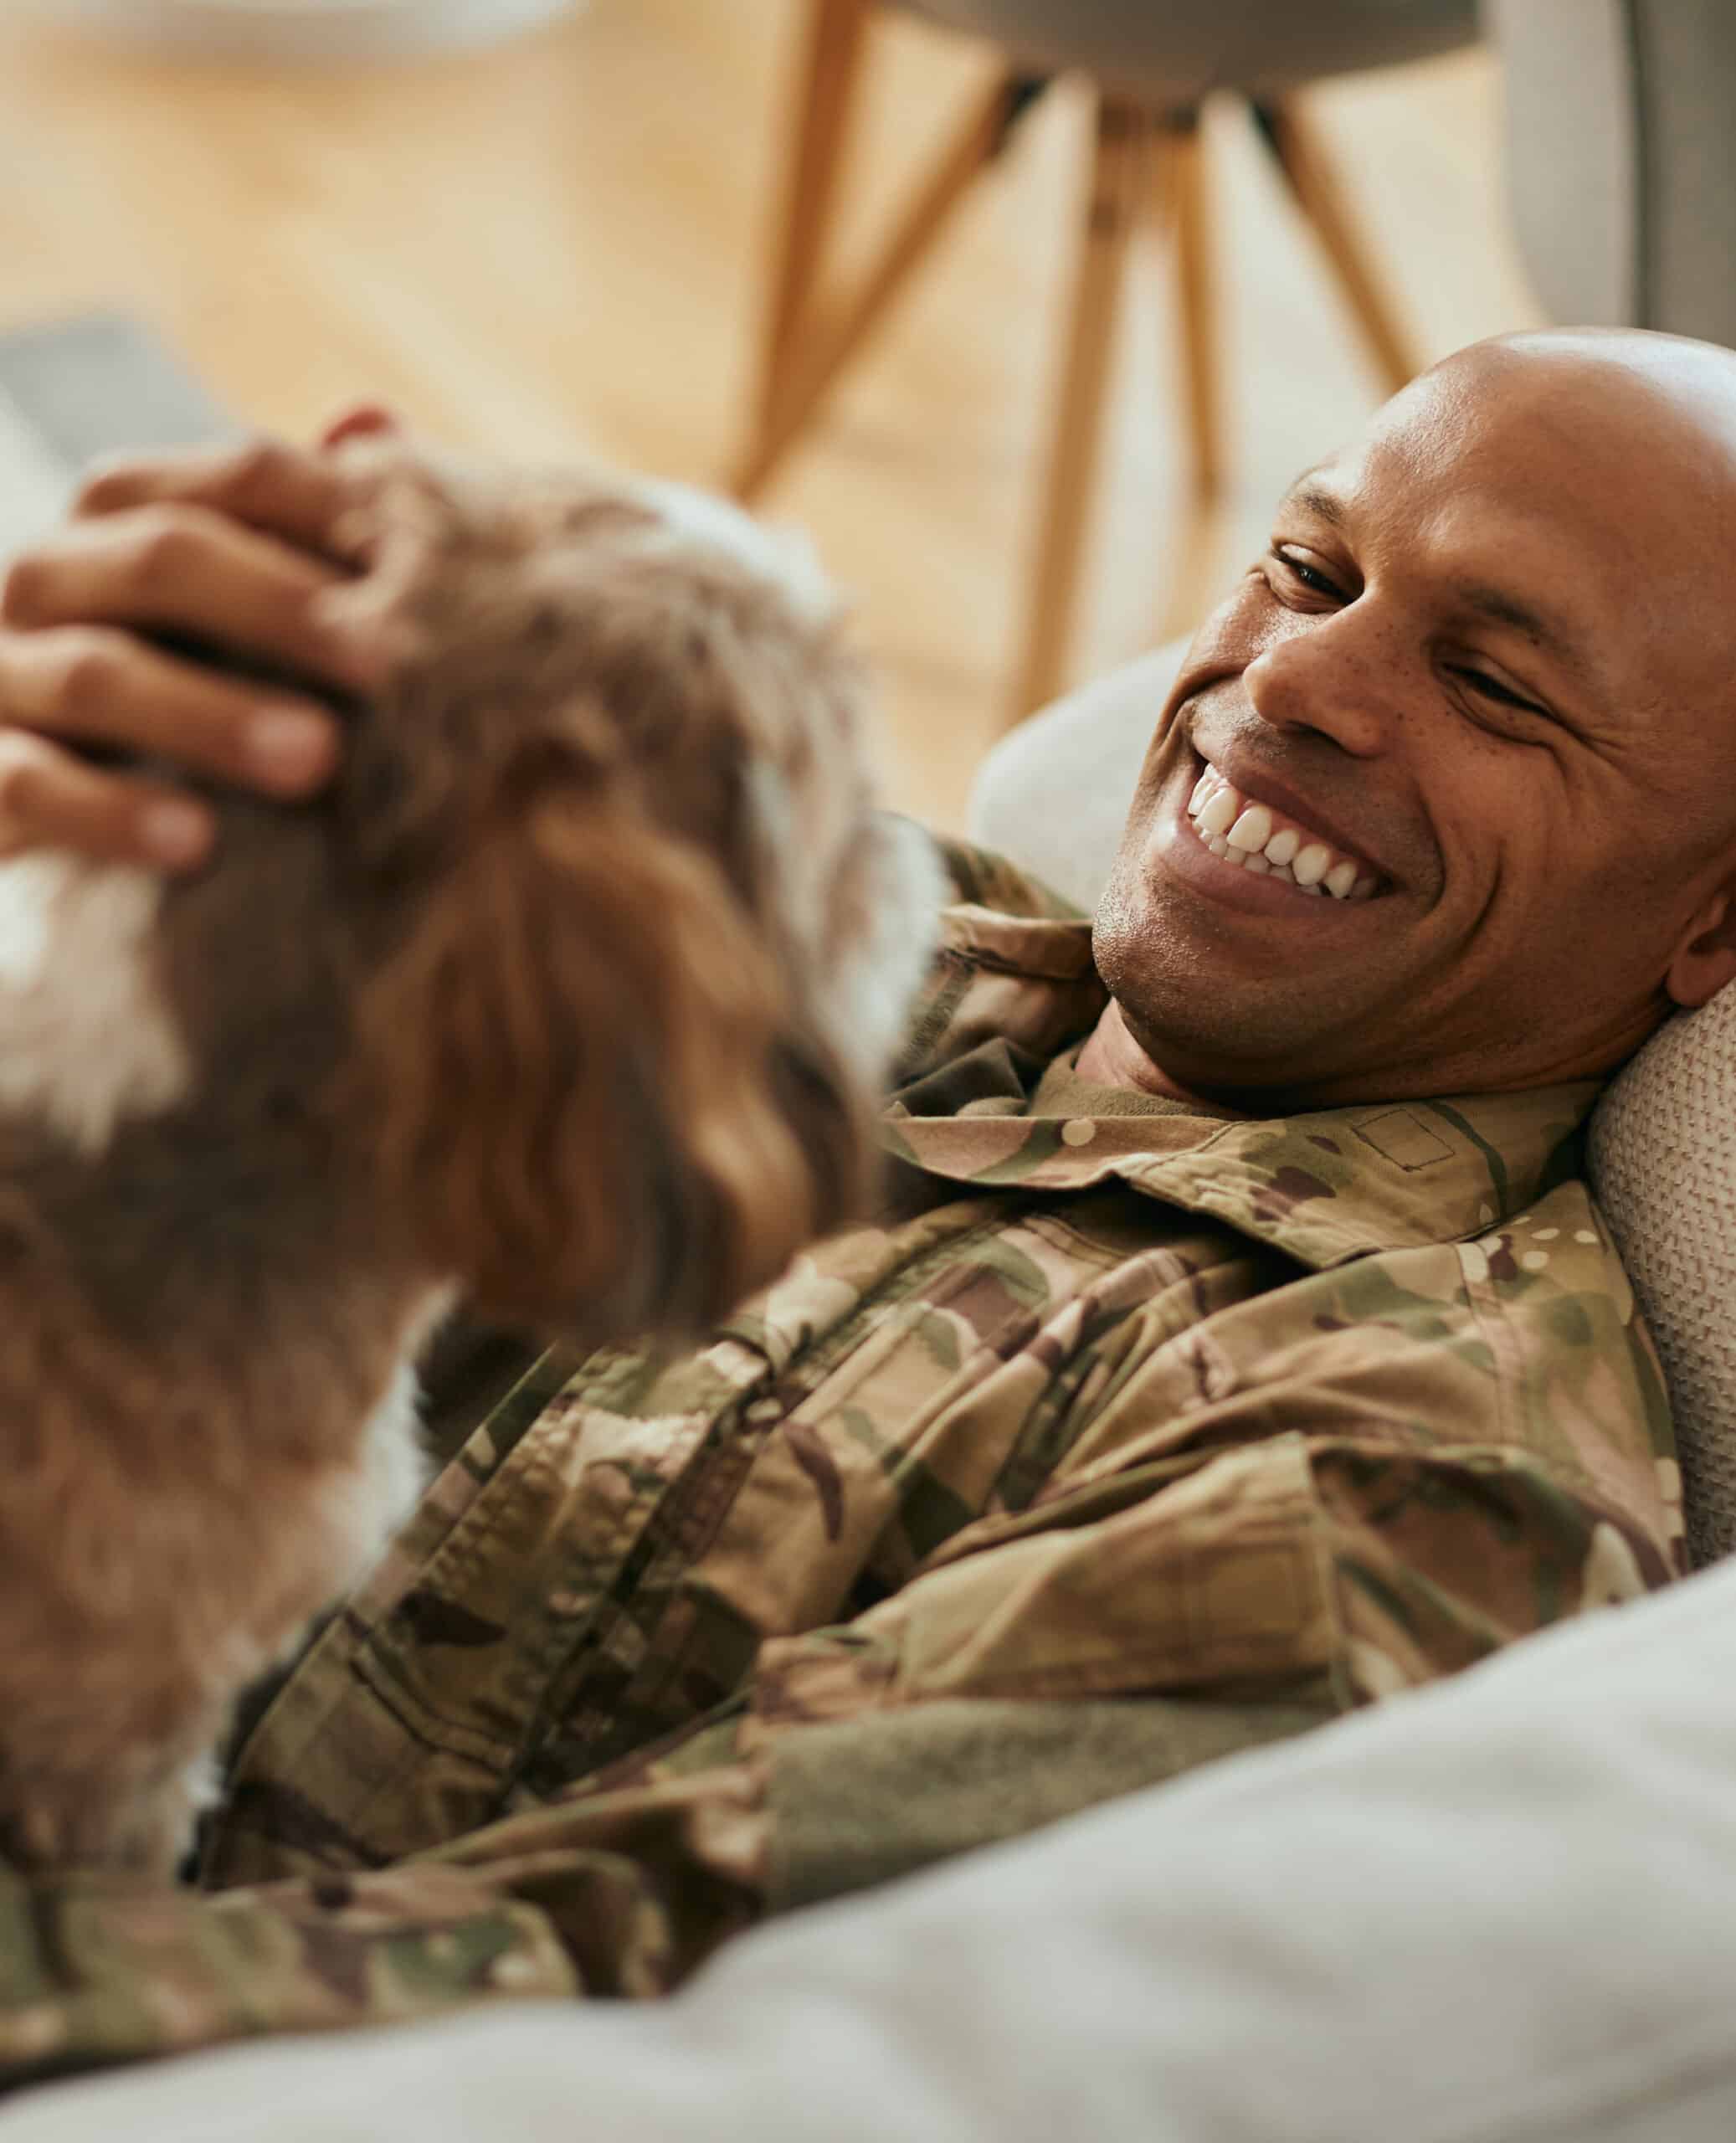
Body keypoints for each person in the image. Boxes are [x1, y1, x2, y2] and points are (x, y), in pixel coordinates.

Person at [0, 327, 1727, 2087]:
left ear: (1715, 916)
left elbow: (599, 2008)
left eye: (1494, 685)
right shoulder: (827, 914)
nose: (1291, 681)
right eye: (1304, 568)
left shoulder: (1395, 1467)